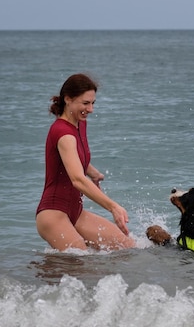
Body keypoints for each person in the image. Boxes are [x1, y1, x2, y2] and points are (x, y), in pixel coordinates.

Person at [36, 73, 136, 251]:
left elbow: (72, 159)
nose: (91, 109)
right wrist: (113, 207)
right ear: (68, 99)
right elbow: (77, 180)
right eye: (85, 103)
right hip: (53, 213)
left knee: (126, 246)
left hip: (76, 211)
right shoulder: (63, 133)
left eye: (92, 103)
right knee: (80, 259)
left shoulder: (80, 124)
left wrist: (93, 173)